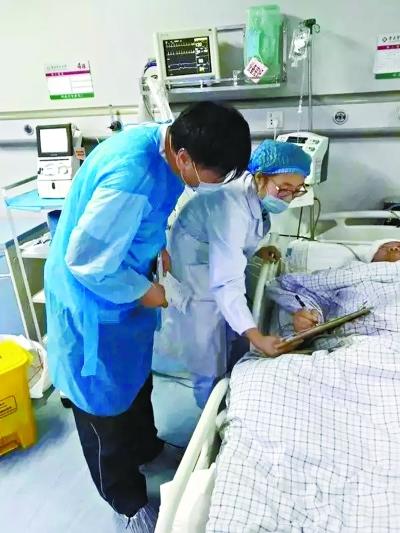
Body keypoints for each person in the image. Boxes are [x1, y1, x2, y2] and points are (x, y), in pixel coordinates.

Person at [44, 101, 251, 529]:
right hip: (93, 303)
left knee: (137, 380)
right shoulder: (130, 178)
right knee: (104, 408)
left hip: (125, 285)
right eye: (213, 176)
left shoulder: (166, 143)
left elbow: (143, 219)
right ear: (184, 158)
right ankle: (127, 501)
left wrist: (156, 247)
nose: (214, 185)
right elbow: (86, 262)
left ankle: (146, 447)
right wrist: (145, 291)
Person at [153, 140, 311, 408]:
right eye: (284, 188)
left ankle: (235, 391)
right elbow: (226, 278)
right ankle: (210, 411)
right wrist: (258, 338)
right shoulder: (231, 205)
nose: (289, 196)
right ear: (260, 177)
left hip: (211, 257)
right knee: (207, 352)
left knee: (234, 336)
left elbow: (237, 239)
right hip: (195, 273)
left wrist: (256, 250)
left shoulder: (253, 192)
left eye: (297, 190)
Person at [291, 239, 400, 333]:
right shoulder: (352, 271)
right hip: (359, 338)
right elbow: (309, 288)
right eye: (386, 247)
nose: (394, 249)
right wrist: (313, 315)